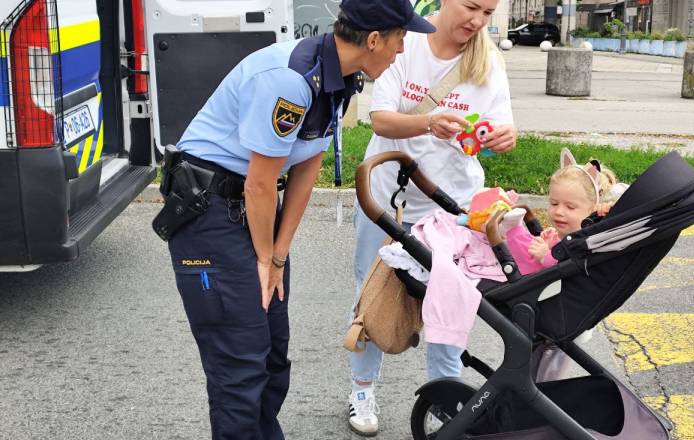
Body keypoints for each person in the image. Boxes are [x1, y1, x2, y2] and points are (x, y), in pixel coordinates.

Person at [158, 1, 437, 439]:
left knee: (272, 356)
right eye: (402, 37)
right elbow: (260, 184)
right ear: (374, 39)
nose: (403, 49)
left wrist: (279, 256)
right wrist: (265, 258)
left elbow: (306, 169)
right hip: (209, 212)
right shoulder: (291, 82)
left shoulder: (340, 78)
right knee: (240, 364)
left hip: (249, 210)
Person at [345, 0, 518, 435]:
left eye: (488, 12)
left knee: (450, 300)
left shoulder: (488, 59)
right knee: (373, 291)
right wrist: (428, 122)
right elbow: (379, 119)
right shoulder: (407, 42)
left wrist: (505, 137)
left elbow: (501, 129)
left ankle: (446, 396)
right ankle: (362, 389)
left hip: (452, 205)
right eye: (471, 7)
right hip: (390, 196)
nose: (477, 21)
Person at [501, 149, 626, 276]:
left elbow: (569, 266)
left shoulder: (586, 239)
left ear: (592, 209)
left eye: (570, 207)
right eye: (554, 203)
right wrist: (551, 243)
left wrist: (546, 256)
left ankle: (512, 229)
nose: (559, 212)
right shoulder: (566, 234)